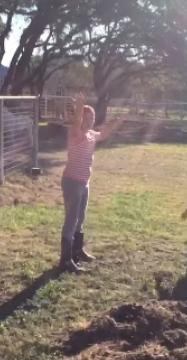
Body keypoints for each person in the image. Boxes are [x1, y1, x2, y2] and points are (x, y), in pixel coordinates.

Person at [59, 93, 125, 273]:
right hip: (72, 182)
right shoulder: (76, 133)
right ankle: (65, 260)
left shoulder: (90, 135)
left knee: (80, 219)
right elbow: (77, 121)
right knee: (71, 221)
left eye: (92, 118)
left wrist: (115, 122)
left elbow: (103, 134)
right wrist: (80, 106)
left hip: (84, 182)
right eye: (86, 118)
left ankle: (77, 251)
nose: (89, 121)